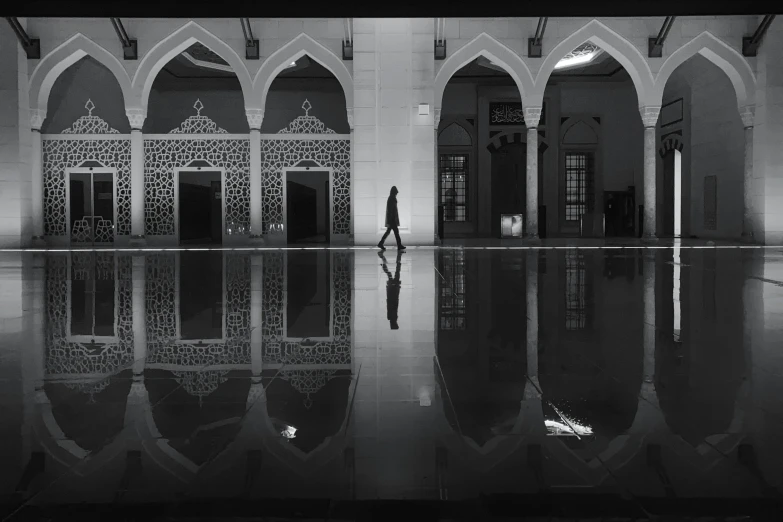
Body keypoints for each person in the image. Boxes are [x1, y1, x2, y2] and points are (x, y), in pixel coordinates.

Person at [379, 251, 402, 330]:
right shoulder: (390, 317)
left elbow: (394, 303)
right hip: (391, 292)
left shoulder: (393, 317)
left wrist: (397, 289)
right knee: (391, 273)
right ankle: (383, 259)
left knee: (397, 271)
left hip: (393, 292)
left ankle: (398, 255)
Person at [378, 186, 406, 251]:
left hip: (392, 219)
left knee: (388, 232)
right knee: (396, 232)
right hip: (392, 219)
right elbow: (391, 210)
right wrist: (392, 219)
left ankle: (381, 243)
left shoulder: (391, 198)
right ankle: (399, 245)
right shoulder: (392, 198)